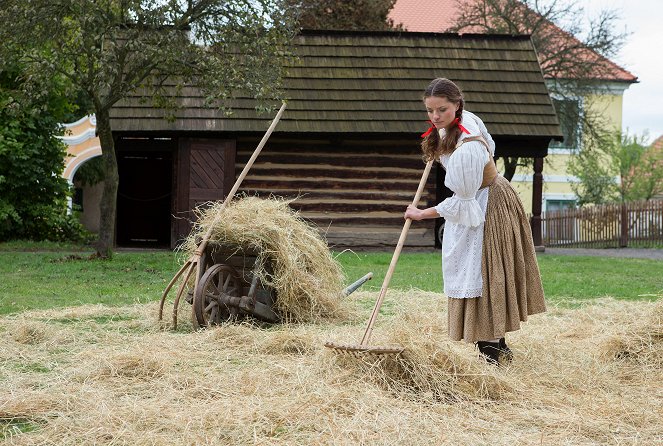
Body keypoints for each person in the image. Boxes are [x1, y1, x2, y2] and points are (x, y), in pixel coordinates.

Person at [404, 78, 546, 365]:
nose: (435, 117)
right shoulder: (458, 124)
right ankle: (498, 346)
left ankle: (492, 350)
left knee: (483, 271)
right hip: (481, 198)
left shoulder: (467, 147)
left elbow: (462, 203)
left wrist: (421, 213)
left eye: (442, 110)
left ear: (457, 105)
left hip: (486, 206)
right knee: (485, 270)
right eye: (430, 110)